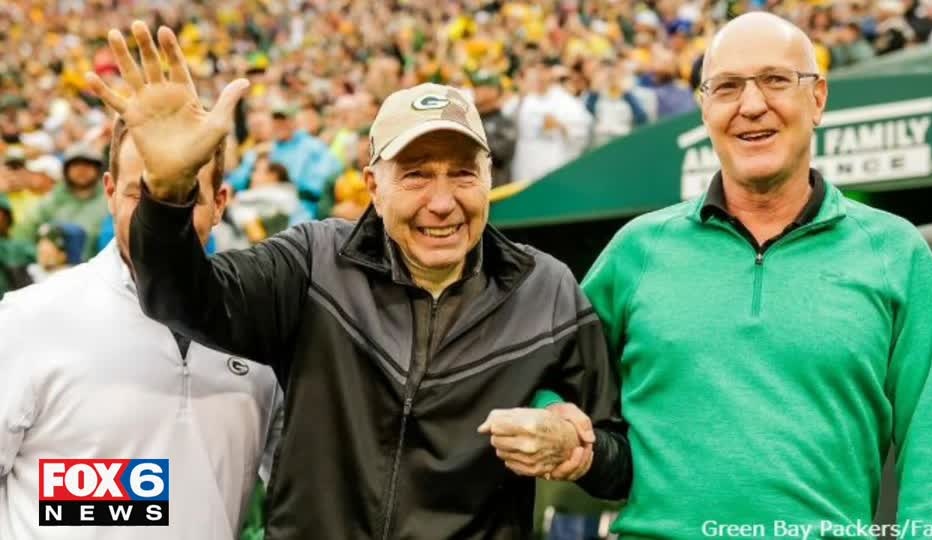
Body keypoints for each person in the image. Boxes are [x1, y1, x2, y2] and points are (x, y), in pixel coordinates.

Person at [85, 22, 630, 540]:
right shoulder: (314, 261)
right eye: (416, 175)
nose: (442, 202)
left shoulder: (545, 289)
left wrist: (576, 451)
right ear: (373, 185)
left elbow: (620, 460)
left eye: (463, 173)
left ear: (490, 178)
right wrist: (168, 196)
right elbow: (183, 300)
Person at [582, 12, 932, 538]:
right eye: (727, 87)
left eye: (776, 80)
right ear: (704, 107)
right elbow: (554, 371)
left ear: (818, 98)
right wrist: (558, 424)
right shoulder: (637, 250)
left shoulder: (896, 252)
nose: (752, 104)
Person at [0, 114, 283, 540]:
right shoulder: (30, 319)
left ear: (220, 203)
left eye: (185, 196)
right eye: (141, 194)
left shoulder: (261, 332)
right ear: (110, 192)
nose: (160, 217)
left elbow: (301, 493)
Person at [227, 103, 343, 220]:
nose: (279, 125)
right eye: (276, 121)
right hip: (265, 202)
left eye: (284, 121)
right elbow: (238, 179)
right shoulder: (267, 149)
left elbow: (324, 179)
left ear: (294, 122)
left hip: (301, 205)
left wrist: (293, 186)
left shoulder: (312, 146)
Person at [12, 144, 109, 260]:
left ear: (98, 169)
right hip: (55, 267)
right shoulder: (52, 200)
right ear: (66, 170)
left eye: (88, 165)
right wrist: (38, 255)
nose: (81, 170)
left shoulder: (109, 201)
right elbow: (23, 234)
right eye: (76, 165)